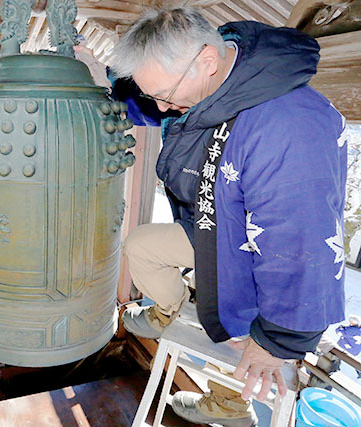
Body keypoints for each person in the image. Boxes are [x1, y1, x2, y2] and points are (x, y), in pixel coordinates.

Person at [111, 8, 347, 426]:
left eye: (165, 93)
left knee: (237, 335)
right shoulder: (221, 88)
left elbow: (302, 241)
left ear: (206, 58)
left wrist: (279, 340)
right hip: (216, 229)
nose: (163, 108)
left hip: (257, 258)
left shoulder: (286, 123)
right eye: (153, 97)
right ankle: (174, 309)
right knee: (147, 250)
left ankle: (228, 404)